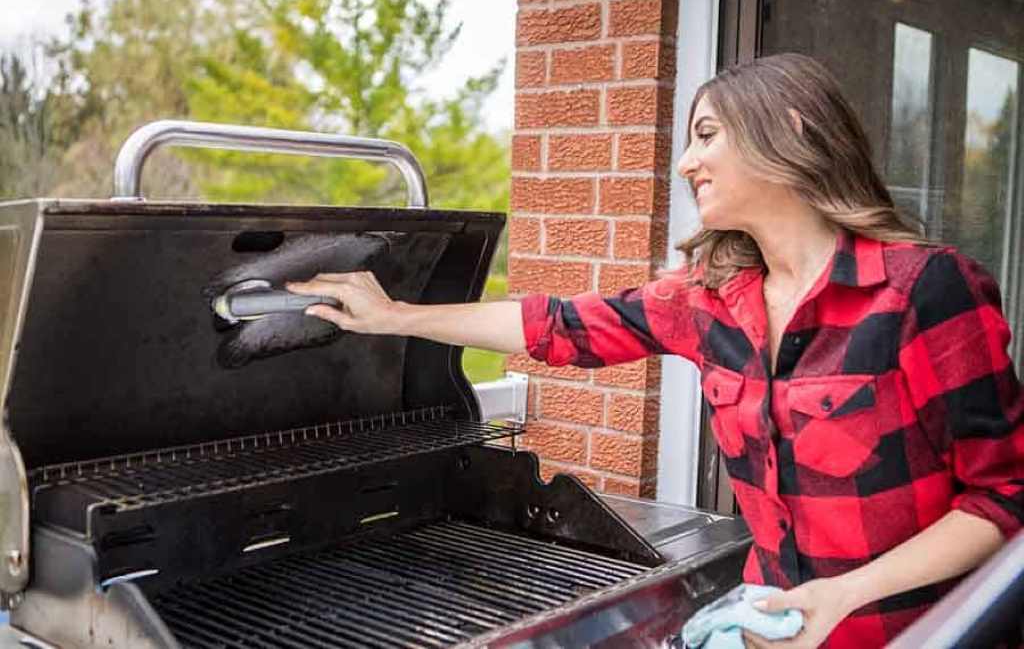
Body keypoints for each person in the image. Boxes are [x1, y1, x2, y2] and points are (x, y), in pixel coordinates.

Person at [287, 53, 1024, 648]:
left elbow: (1004, 497)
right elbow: (558, 325)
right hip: (770, 628)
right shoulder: (707, 300)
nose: (683, 163)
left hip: (917, 630)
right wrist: (394, 315)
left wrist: (844, 596)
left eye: (706, 135)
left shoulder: (924, 293)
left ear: (792, 130)